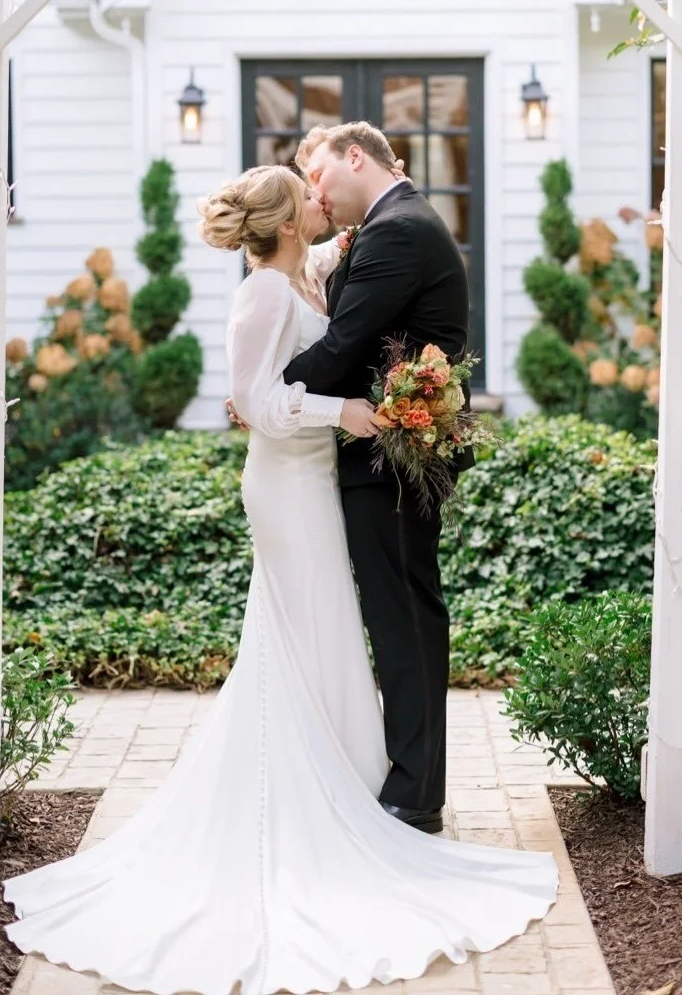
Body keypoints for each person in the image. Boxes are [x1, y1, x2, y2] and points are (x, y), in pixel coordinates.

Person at [2, 163, 557, 995]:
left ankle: (344, 783)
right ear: (288, 221)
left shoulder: (302, 273)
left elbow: (338, 261)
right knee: (308, 633)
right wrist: (344, 411)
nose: (321, 202)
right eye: (309, 197)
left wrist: (376, 201)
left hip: (312, 482)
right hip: (286, 483)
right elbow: (254, 400)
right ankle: (308, 799)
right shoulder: (262, 293)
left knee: (324, 632)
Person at [282, 121, 472, 835]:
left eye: (319, 176)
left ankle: (415, 794)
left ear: (354, 156)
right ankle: (411, 780)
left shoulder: (398, 229)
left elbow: (342, 347)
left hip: (393, 456)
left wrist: (267, 395)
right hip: (388, 453)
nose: (317, 195)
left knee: (404, 618)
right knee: (402, 612)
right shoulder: (397, 223)